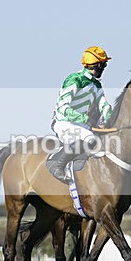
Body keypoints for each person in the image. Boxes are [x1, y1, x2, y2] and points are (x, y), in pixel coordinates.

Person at [47, 46, 114, 182]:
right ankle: (58, 167)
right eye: (104, 65)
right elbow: (62, 108)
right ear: (98, 65)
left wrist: (111, 119)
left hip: (82, 124)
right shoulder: (75, 80)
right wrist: (85, 118)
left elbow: (104, 105)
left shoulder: (96, 85)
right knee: (90, 139)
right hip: (63, 122)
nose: (105, 68)